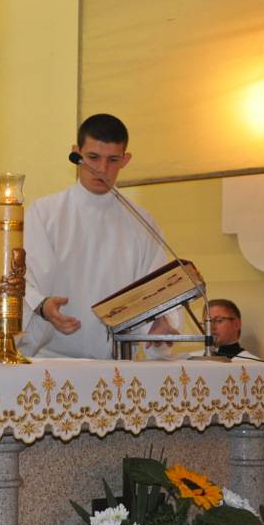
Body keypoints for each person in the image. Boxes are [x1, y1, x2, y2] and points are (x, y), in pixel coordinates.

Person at [20, 113, 181, 359]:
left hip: (115, 362)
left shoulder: (142, 223)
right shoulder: (44, 213)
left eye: (113, 160)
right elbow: (24, 280)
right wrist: (43, 307)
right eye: (93, 157)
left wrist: (158, 323)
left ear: (125, 160)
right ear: (76, 154)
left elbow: (157, 289)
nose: (102, 169)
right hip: (51, 359)